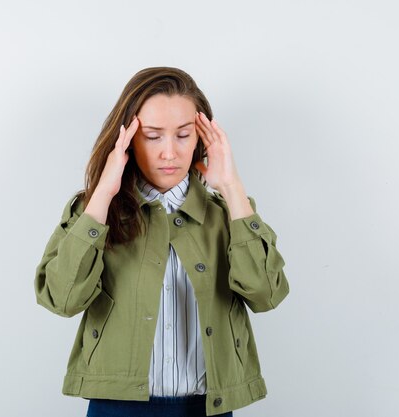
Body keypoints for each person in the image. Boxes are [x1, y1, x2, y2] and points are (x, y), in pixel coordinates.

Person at [34, 67, 290, 417]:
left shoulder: (230, 214)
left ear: (202, 138)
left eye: (183, 135)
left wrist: (232, 187)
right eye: (153, 136)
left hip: (206, 408)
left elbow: (267, 294)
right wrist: (103, 196)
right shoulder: (94, 211)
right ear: (127, 139)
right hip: (117, 407)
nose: (169, 153)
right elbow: (60, 299)